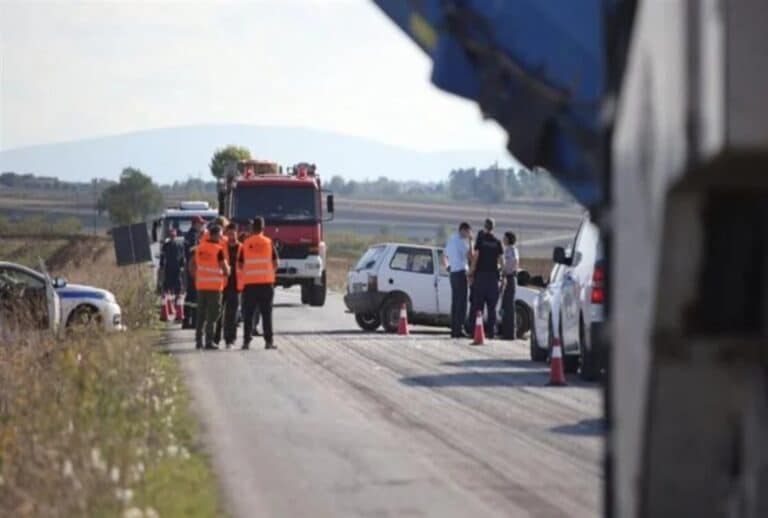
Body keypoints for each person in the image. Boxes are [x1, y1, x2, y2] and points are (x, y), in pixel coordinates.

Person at [238, 217, 278, 350]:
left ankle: (246, 341)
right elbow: (275, 263)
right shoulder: (268, 242)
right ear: (263, 227)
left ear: (252, 228)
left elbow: (239, 264)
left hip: (250, 284)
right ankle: (268, 341)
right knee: (267, 314)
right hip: (266, 283)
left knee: (248, 314)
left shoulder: (246, 243)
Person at [192, 225, 230, 350]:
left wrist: (196, 278)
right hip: (214, 287)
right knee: (213, 314)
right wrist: (228, 270)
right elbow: (225, 269)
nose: (221, 237)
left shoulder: (199, 248)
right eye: (220, 235)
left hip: (201, 286)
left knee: (201, 314)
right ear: (213, 235)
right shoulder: (218, 250)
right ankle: (209, 340)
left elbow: (192, 265)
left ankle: (198, 340)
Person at [468, 218, 505, 339]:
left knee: (478, 306)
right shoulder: (498, 242)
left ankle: (475, 331)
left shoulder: (481, 240)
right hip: (493, 278)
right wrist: (503, 276)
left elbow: (476, 257)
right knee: (492, 307)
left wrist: (471, 272)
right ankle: (491, 332)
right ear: (493, 227)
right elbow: (502, 261)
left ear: (484, 226)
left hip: (481, 277)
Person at [213, 223, 243, 348]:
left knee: (232, 314)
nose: (231, 236)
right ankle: (216, 338)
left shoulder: (242, 248)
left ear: (237, 233)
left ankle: (230, 339)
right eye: (229, 234)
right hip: (222, 284)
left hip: (236, 285)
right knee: (218, 313)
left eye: (233, 233)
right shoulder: (221, 247)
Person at [443, 222, 473, 338]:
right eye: (468, 232)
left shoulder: (451, 239)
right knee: (462, 303)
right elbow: (470, 256)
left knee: (455, 302)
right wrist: (471, 241)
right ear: (463, 230)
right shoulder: (460, 242)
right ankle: (459, 329)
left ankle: (454, 329)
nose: (468, 234)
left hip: (453, 273)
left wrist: (448, 266)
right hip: (460, 273)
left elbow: (445, 255)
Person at [182, 216, 205, 329]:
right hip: (193, 268)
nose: (202, 226)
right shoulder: (192, 235)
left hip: (192, 267)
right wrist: (201, 247)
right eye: (200, 224)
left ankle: (187, 320)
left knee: (190, 296)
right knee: (194, 296)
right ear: (195, 224)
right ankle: (193, 321)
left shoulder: (192, 235)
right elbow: (191, 250)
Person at [501, 231, 520, 340]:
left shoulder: (512, 249)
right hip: (506, 277)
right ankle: (505, 332)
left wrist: (506, 271)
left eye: (504, 238)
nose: (503, 240)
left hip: (510, 277)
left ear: (508, 239)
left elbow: (514, 262)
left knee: (509, 306)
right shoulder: (507, 250)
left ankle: (510, 333)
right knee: (505, 305)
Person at [159, 229, 186, 300]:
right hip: (168, 266)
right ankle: (166, 295)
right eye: (171, 236)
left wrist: (182, 266)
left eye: (173, 236)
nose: (172, 237)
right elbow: (162, 256)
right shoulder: (166, 245)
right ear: (169, 236)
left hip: (177, 267)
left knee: (178, 281)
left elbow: (182, 256)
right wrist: (161, 265)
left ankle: (178, 295)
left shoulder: (180, 245)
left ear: (176, 236)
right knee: (167, 281)